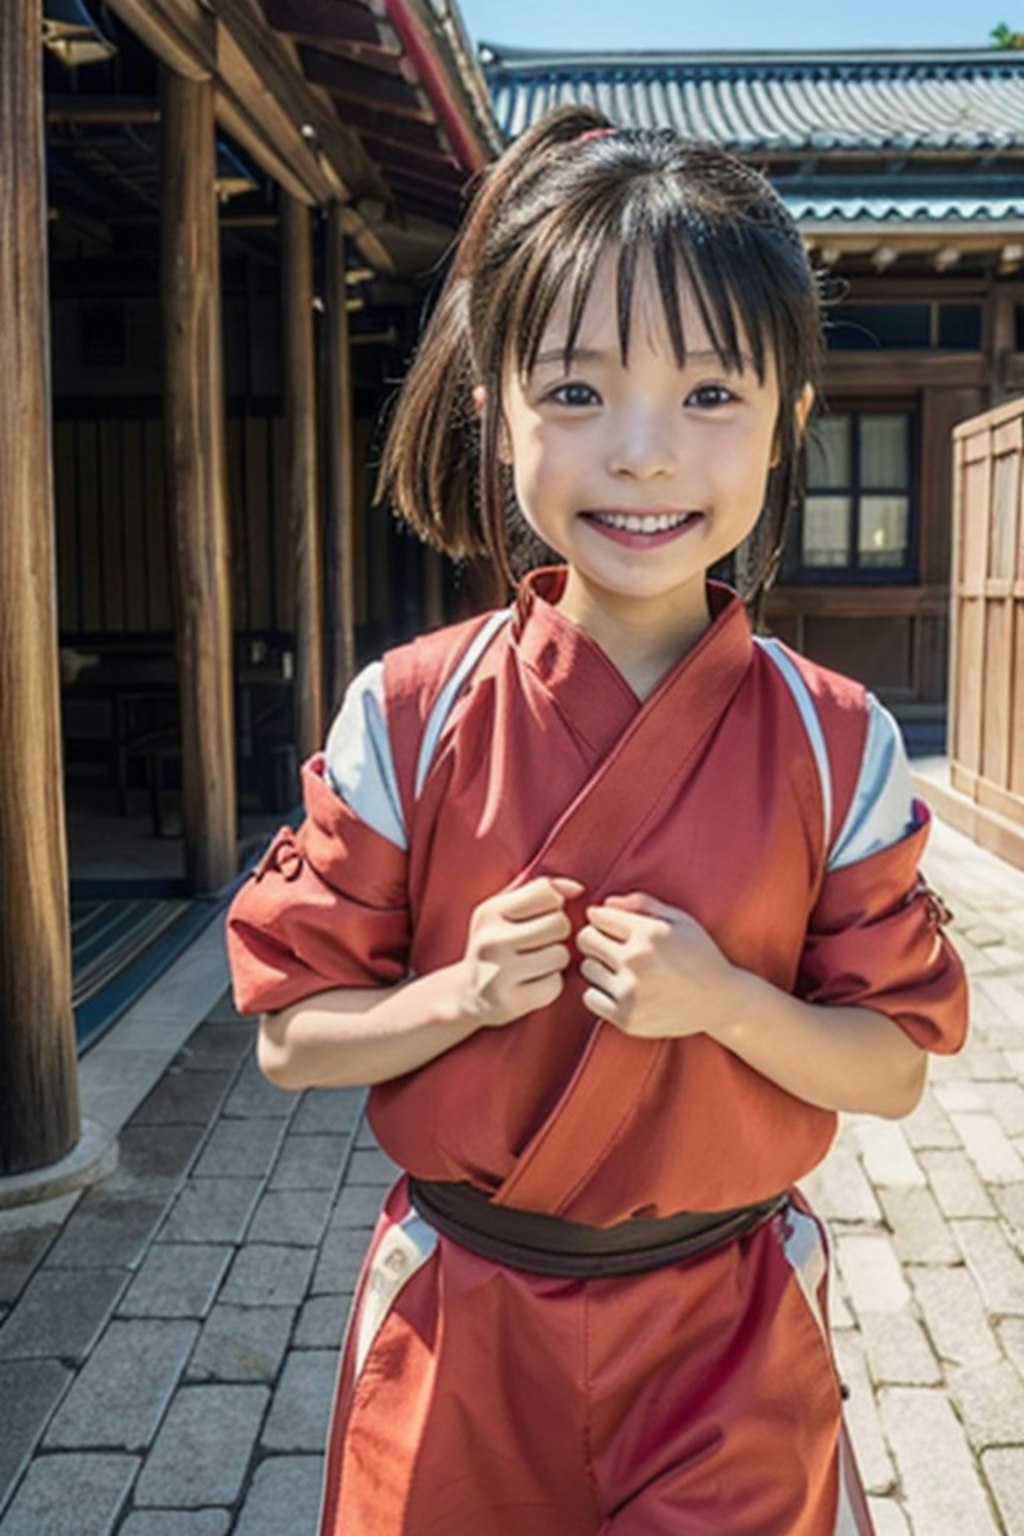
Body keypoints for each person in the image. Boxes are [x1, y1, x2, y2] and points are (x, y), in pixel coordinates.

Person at [226, 105, 967, 1536]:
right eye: (575, 393)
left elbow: (887, 1074)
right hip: (461, 1321)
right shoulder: (406, 714)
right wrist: (455, 996)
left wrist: (722, 1001)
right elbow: (287, 1040)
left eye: (708, 397)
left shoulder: (837, 739)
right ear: (495, 407)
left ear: (788, 419)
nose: (642, 454)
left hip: (727, 1333)